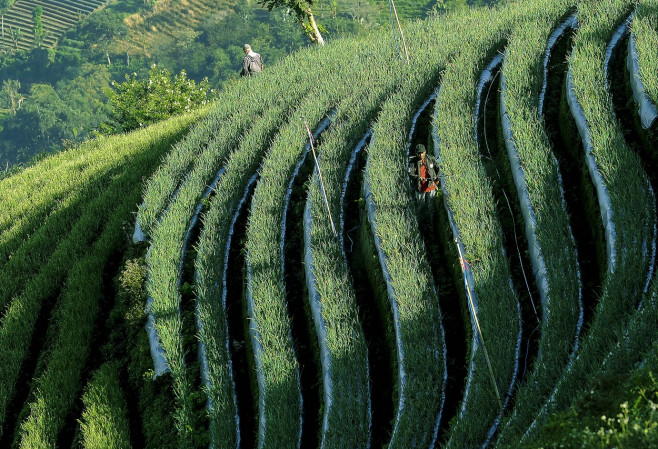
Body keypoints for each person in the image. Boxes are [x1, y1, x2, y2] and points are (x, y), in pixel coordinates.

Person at [409, 143, 440, 234]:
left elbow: (438, 168)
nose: (420, 155)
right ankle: (421, 227)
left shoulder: (431, 159)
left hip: (430, 187)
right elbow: (410, 173)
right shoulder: (413, 162)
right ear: (416, 153)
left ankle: (433, 225)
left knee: (431, 207)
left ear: (425, 152)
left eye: (422, 153)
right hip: (420, 188)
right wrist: (417, 177)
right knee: (420, 206)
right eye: (418, 153)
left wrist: (437, 179)